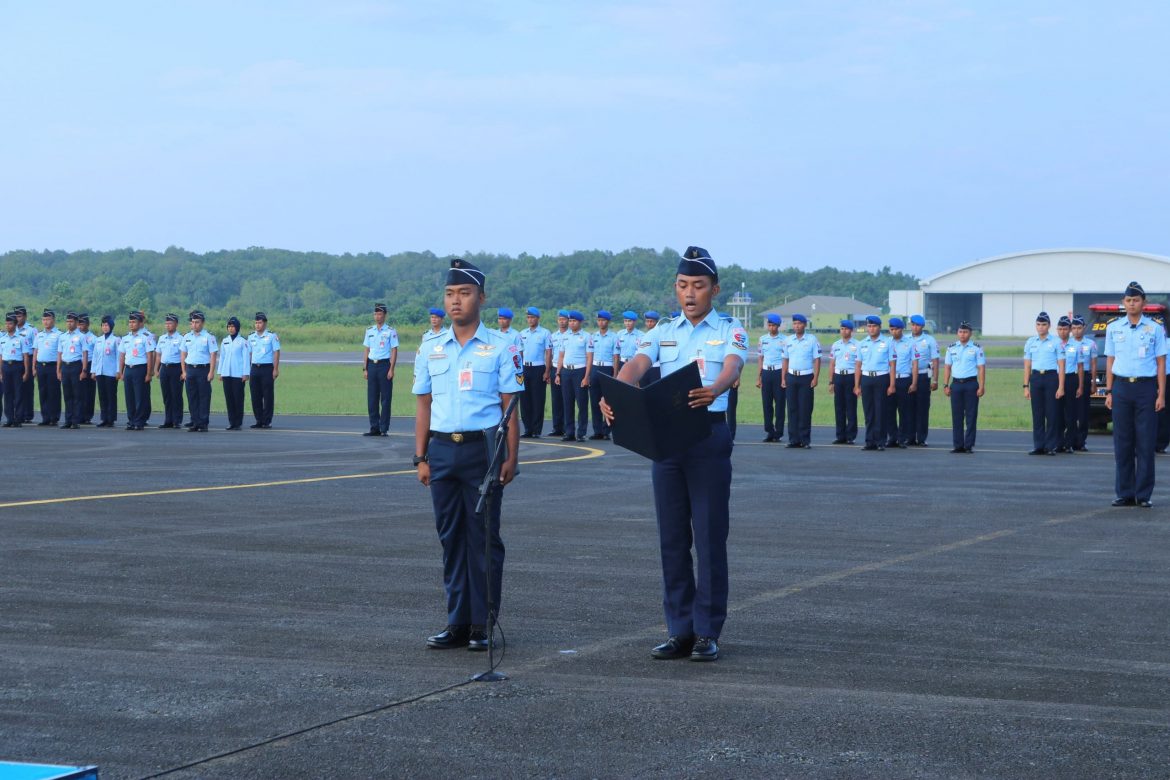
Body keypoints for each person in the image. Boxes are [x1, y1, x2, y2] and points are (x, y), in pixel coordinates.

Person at [599, 245, 746, 663]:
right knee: (672, 539)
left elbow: (734, 365)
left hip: (708, 437)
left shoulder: (730, 329)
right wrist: (617, 392)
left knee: (710, 536)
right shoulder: (662, 330)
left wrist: (716, 387)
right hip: (666, 442)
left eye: (698, 286)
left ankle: (707, 631)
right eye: (683, 285)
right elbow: (637, 364)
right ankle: (679, 629)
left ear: (714, 289)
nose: (690, 293)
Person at [412, 258, 522, 651]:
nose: (455, 302)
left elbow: (510, 406)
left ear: (481, 297)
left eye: (464, 293)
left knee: (483, 539)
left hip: (482, 451)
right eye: (450, 294)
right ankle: (457, 621)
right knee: (451, 539)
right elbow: (423, 404)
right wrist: (420, 456)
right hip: (441, 450)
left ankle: (481, 623)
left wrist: (511, 456)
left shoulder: (502, 347)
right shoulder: (430, 348)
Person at [1104, 281, 1167, 508]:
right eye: (1128, 300)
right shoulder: (1114, 327)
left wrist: (1161, 394)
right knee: (1122, 441)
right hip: (1121, 388)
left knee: (1145, 441)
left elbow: (1161, 362)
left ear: (1144, 303)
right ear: (1124, 302)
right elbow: (1111, 360)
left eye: (1136, 300)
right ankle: (1125, 493)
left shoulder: (1155, 328)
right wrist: (1109, 391)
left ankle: (1143, 495)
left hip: (1145, 388)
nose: (1132, 304)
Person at [1023, 311, 1066, 455]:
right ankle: (1038, 445)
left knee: (1051, 413)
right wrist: (1025, 386)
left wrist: (1061, 386)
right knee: (1037, 413)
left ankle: (1050, 446)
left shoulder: (1056, 342)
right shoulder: (1030, 342)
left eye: (1044, 324)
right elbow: (1027, 366)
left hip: (1051, 378)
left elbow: (1061, 365)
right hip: (1036, 378)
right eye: (1038, 324)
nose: (1041, 327)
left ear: (1049, 326)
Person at [943, 322, 985, 453]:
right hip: (956, 385)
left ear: (970, 333)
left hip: (971, 384)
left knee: (971, 416)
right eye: (960, 332)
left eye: (965, 332)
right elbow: (947, 367)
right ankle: (958, 445)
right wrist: (945, 384)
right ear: (957, 333)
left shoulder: (977, 348)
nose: (962, 334)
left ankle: (968, 445)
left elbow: (981, 368)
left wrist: (982, 386)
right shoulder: (951, 348)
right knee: (957, 416)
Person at [854, 315, 894, 450]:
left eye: (874, 326)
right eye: (869, 326)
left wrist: (892, 384)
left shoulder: (888, 342)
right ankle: (869, 441)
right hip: (866, 378)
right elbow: (858, 366)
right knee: (868, 411)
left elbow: (892, 365)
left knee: (880, 411)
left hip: (881, 378)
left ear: (879, 327)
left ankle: (880, 441)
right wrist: (856, 385)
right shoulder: (862, 343)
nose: (871, 329)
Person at [782, 313, 820, 448]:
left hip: (806, 377)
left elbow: (817, 359)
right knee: (792, 409)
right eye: (795, 324)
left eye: (799, 323)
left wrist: (816, 377)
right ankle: (793, 439)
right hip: (791, 376)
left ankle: (805, 440)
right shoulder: (788, 340)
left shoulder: (812, 340)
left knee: (805, 409)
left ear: (804, 325)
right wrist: (783, 377)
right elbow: (785, 359)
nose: (796, 326)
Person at [362, 303, 398, 437]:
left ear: (385, 315)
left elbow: (394, 350)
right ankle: (374, 427)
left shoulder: (390, 331)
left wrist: (391, 369)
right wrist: (365, 368)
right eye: (376, 314)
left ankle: (384, 428)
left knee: (386, 398)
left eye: (380, 314)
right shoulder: (369, 330)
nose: (377, 317)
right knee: (372, 398)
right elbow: (366, 349)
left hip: (384, 366)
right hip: (371, 365)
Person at [555, 311, 590, 442]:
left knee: (582, 403)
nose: (571, 323)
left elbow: (589, 358)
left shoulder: (586, 336)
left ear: (580, 322)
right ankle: (569, 432)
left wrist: (587, 376)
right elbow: (561, 356)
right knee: (567, 403)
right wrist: (558, 373)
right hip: (566, 372)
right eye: (570, 321)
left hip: (580, 371)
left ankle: (581, 432)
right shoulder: (565, 336)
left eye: (574, 321)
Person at [117, 311, 154, 431]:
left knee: (140, 397)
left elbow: (150, 356)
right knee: (130, 397)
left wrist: (149, 373)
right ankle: (131, 420)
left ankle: (139, 421)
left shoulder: (145, 338)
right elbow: (122, 355)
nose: (131, 324)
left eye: (134, 322)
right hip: (129, 369)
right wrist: (121, 371)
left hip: (140, 368)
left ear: (140, 323)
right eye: (130, 322)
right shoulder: (125, 338)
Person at [181, 311, 217, 432]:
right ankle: (195, 422)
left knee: (204, 397)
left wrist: (211, 372)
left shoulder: (208, 337)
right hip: (190, 369)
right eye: (192, 322)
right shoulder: (186, 337)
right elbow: (183, 354)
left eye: (197, 322)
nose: (194, 325)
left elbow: (213, 355)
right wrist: (183, 371)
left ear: (202, 323)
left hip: (203, 369)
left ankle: (203, 423)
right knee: (192, 397)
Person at [518, 307, 551, 438]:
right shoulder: (522, 333)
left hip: (538, 368)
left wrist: (547, 371)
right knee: (525, 400)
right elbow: (519, 352)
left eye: (532, 317)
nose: (530, 320)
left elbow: (548, 353)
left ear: (538, 318)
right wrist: (519, 369)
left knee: (538, 400)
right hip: (525, 367)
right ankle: (527, 429)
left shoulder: (545, 333)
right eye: (528, 317)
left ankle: (537, 430)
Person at [884, 317, 918, 449]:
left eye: (896, 329)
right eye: (891, 329)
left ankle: (902, 438)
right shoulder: (886, 343)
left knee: (904, 411)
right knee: (889, 410)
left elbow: (915, 364)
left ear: (902, 329)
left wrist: (914, 383)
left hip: (904, 379)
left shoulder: (910, 343)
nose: (894, 332)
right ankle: (892, 437)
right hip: (889, 379)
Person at [587, 311, 618, 440]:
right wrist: (587, 374)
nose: (601, 322)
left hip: (607, 368)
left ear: (608, 322)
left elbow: (616, 357)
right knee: (594, 401)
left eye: (604, 320)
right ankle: (597, 430)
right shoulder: (593, 336)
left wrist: (615, 374)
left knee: (608, 401)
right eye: (599, 320)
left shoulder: (614, 337)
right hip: (595, 367)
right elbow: (589, 355)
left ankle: (607, 430)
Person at [908, 315, 939, 445]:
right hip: (907, 376)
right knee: (908, 408)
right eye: (913, 325)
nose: (915, 327)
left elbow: (935, 360)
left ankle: (921, 438)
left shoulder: (929, 340)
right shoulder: (905, 339)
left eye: (918, 325)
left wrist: (935, 380)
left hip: (923, 376)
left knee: (922, 407)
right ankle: (909, 437)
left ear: (922, 326)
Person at [827, 319, 859, 444]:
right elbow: (832, 364)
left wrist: (858, 384)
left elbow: (859, 365)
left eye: (846, 329)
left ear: (851, 330)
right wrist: (831, 381)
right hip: (839, 377)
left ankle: (851, 436)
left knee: (851, 408)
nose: (843, 331)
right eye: (842, 328)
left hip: (851, 377)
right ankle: (840, 435)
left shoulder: (857, 345)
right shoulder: (836, 345)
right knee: (839, 407)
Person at [1055, 316, 1083, 453]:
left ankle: (1069, 443)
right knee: (1056, 412)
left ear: (1070, 330)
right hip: (1055, 379)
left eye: (1065, 329)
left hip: (1071, 379)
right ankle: (1058, 442)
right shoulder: (1054, 344)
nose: (1062, 332)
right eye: (1060, 329)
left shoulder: (1076, 346)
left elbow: (1080, 367)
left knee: (1071, 413)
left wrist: (1080, 386)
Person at [56, 312, 89, 429]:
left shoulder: (81, 336)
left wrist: (84, 370)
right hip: (65, 366)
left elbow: (85, 354)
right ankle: (68, 420)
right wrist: (58, 371)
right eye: (67, 321)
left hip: (76, 366)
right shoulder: (62, 337)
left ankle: (75, 420)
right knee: (67, 395)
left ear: (76, 322)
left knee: (77, 395)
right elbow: (59, 354)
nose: (69, 324)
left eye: (71, 322)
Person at [756, 313, 786, 442]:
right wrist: (759, 376)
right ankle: (769, 431)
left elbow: (786, 359)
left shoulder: (785, 340)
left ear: (778, 326)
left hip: (779, 372)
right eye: (769, 325)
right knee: (766, 403)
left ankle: (778, 432)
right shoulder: (763, 339)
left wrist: (785, 377)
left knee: (779, 403)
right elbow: (760, 358)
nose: (771, 327)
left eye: (774, 325)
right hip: (767, 372)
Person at [218, 316, 251, 431]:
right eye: (229, 326)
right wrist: (220, 372)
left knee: (238, 398)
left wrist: (245, 373)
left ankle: (238, 422)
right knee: (229, 398)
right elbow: (222, 357)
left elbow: (246, 358)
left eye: (233, 326)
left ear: (237, 328)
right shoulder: (225, 341)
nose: (231, 329)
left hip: (238, 374)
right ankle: (231, 422)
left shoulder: (243, 341)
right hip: (227, 373)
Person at [248, 312, 280, 429]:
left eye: (260, 323)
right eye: (256, 323)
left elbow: (276, 352)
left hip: (267, 368)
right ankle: (259, 420)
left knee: (267, 395)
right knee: (255, 395)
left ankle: (267, 420)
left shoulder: (272, 336)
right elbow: (249, 354)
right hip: (255, 368)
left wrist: (275, 369)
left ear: (265, 323)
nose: (257, 325)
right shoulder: (251, 337)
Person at [31, 309, 62, 426]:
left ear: (53, 320)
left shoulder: (59, 334)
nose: (46, 322)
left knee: (53, 392)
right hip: (41, 366)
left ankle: (54, 417)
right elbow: (35, 351)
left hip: (52, 366)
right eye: (44, 319)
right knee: (43, 392)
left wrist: (59, 369)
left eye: (48, 319)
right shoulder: (39, 335)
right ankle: (45, 417)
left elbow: (60, 353)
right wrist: (34, 367)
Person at [1, 312, 32, 427]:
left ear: (15, 324)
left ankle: (18, 418)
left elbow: (25, 356)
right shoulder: (3, 339)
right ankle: (9, 418)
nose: (7, 326)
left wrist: (26, 371)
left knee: (18, 393)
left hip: (17, 366)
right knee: (7, 393)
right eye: (6, 323)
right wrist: (0, 372)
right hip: (5, 366)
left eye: (10, 323)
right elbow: (1, 356)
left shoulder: (22, 339)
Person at [155, 313, 186, 429]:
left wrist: (184, 372)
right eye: (166, 323)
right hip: (164, 368)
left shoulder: (181, 339)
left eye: (170, 323)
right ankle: (168, 419)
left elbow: (184, 356)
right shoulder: (162, 338)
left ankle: (177, 420)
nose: (168, 325)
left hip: (176, 368)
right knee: (166, 395)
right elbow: (158, 355)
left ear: (176, 324)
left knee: (176, 395)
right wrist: (156, 369)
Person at [91, 315, 120, 427]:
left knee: (111, 395)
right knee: (102, 395)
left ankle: (111, 419)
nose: (105, 327)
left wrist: (118, 371)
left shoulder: (116, 340)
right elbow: (95, 356)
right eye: (103, 325)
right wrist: (93, 371)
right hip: (100, 371)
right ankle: (104, 418)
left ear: (111, 326)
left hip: (111, 372)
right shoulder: (98, 340)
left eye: (107, 325)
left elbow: (118, 356)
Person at [547, 310, 570, 437]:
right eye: (560, 319)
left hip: (567, 369)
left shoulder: (570, 335)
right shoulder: (553, 336)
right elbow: (550, 354)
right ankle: (557, 428)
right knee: (555, 400)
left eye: (564, 319)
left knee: (566, 399)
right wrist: (549, 370)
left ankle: (567, 427)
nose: (562, 321)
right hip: (554, 368)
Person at [13, 306, 37, 423]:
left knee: (28, 387)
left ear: (25, 316)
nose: (18, 318)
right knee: (17, 388)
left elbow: (37, 347)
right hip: (17, 360)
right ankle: (18, 414)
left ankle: (28, 414)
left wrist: (34, 366)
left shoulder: (32, 330)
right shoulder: (12, 328)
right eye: (16, 316)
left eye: (20, 316)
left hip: (29, 358)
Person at [641, 311, 661, 385]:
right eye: (647, 321)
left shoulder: (661, 335)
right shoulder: (643, 336)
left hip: (656, 368)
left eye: (652, 321)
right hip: (644, 368)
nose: (649, 323)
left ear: (657, 322)